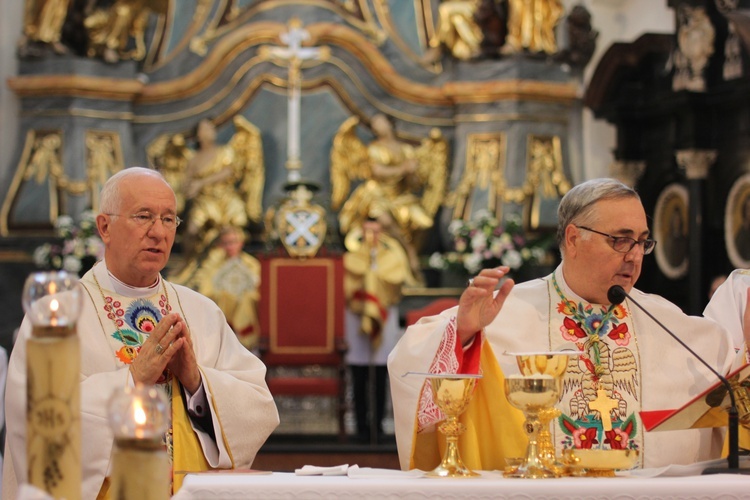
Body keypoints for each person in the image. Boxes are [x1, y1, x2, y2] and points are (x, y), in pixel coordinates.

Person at [388, 178, 738, 472]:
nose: (633, 255)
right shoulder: (505, 311)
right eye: (620, 239)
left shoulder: (665, 322)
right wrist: (463, 335)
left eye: (642, 242)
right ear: (573, 239)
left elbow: (728, 370)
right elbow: (408, 361)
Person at [2, 167, 279, 499]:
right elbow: (36, 420)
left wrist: (197, 382)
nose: (158, 232)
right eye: (144, 216)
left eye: (168, 219)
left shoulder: (200, 311)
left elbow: (258, 408)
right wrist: (132, 380)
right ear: (105, 227)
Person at [343, 218, 417, 442]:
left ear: (382, 233)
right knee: (358, 373)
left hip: (384, 316)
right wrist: (365, 283)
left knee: (381, 373)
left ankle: (379, 424)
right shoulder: (351, 258)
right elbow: (346, 285)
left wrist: (374, 282)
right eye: (366, 231)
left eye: (375, 231)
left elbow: (396, 280)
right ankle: (360, 426)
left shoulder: (392, 256)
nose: (371, 236)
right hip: (356, 318)